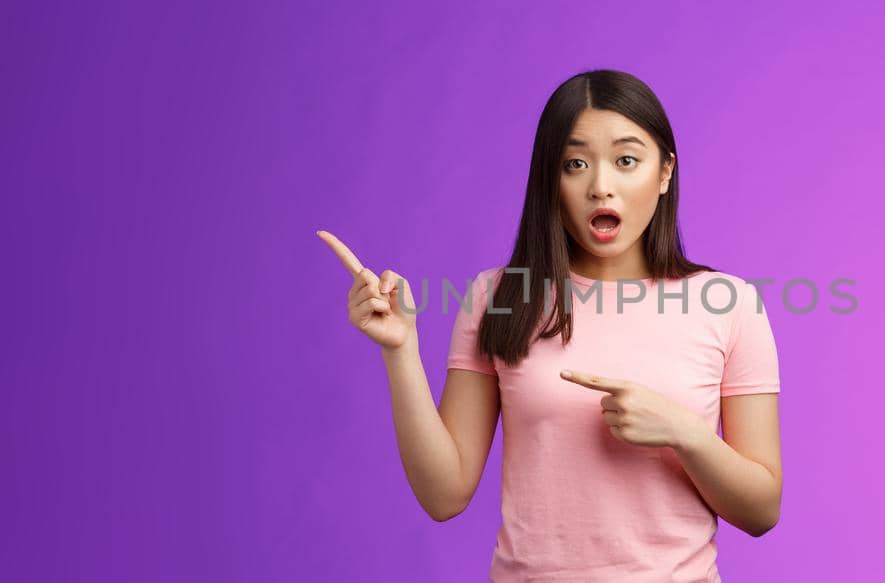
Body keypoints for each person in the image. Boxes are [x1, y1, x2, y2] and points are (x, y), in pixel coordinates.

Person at [317, 69, 781, 582]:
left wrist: (685, 435)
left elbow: (761, 511)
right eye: (575, 164)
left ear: (665, 171)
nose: (600, 187)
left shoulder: (728, 304)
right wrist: (400, 351)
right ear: (550, 178)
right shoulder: (498, 297)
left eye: (627, 161)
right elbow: (443, 496)